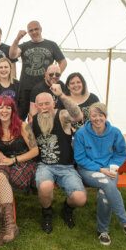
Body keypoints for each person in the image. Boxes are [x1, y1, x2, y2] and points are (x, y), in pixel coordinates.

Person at [74, 102, 126, 246]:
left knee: (104, 192)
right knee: (106, 183)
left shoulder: (115, 132)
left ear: (105, 116)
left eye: (100, 115)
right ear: (89, 117)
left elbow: (121, 153)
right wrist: (100, 169)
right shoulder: (81, 133)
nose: (97, 118)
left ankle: (103, 231)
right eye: (94, 115)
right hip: (89, 170)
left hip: (110, 170)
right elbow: (80, 158)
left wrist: (113, 166)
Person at [32, 85, 86, 234]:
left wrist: (62, 95)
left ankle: (67, 209)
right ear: (36, 106)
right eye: (40, 104)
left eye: (47, 103)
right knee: (45, 187)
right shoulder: (33, 120)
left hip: (66, 167)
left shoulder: (62, 115)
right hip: (45, 166)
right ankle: (47, 213)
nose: (44, 107)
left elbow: (77, 116)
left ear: (53, 103)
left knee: (80, 199)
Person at [0, 96, 38, 247]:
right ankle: (10, 227)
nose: (4, 110)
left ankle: (5, 229)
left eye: (8, 107)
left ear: (12, 111)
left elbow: (35, 151)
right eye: (1, 107)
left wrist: (14, 160)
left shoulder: (23, 126)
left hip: (24, 163)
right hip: (5, 164)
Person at [9, 21, 67, 120]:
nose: (34, 32)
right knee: (20, 117)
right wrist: (17, 39)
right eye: (31, 30)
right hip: (26, 88)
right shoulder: (24, 46)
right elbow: (12, 55)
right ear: (28, 32)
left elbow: (63, 62)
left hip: (45, 88)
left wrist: (54, 77)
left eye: (36, 29)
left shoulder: (51, 45)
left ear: (41, 29)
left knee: (45, 116)